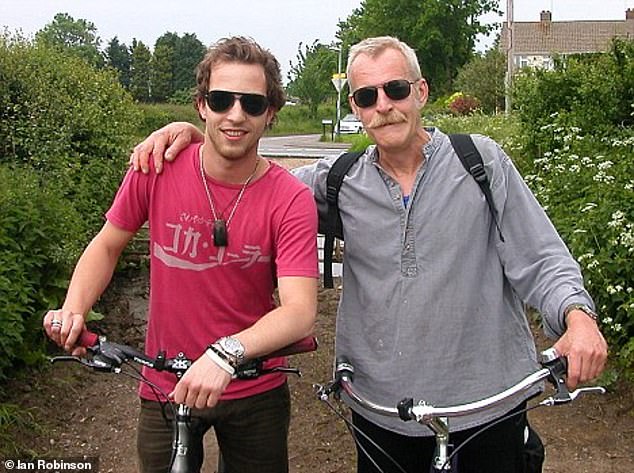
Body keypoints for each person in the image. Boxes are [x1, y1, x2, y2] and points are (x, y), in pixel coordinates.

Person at [130, 36, 607, 473]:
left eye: (395, 89)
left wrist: (577, 316)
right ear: (356, 108)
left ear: (420, 92)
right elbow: (251, 188)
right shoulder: (336, 181)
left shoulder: (479, 162)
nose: (384, 106)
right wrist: (196, 137)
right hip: (381, 409)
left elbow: (541, 257)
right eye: (366, 97)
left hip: (487, 404)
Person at [43, 36, 319, 473]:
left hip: (255, 387)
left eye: (251, 103)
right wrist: (75, 308)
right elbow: (108, 244)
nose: (235, 114)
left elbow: (300, 311)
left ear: (270, 114)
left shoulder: (290, 199)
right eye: (221, 99)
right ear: (201, 106)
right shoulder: (157, 166)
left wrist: (224, 354)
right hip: (164, 382)